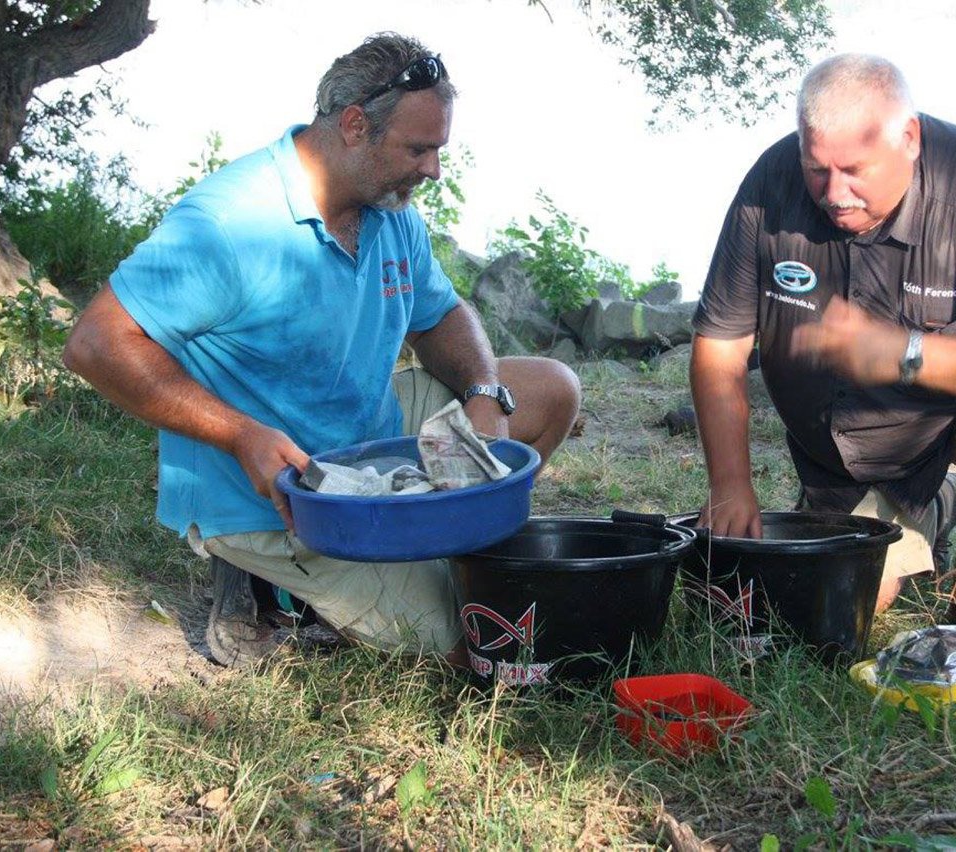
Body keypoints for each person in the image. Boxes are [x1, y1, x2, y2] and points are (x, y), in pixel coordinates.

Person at [63, 33, 581, 668]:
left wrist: (483, 392)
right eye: (418, 149)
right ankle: (257, 574)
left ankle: (434, 539)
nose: (433, 170)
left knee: (553, 390)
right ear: (355, 125)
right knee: (479, 640)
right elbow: (95, 343)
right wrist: (238, 434)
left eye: (438, 150)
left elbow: (441, 314)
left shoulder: (391, 212)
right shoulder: (233, 221)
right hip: (273, 485)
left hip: (367, 435)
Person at [690, 54, 956, 657]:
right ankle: (940, 497)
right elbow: (719, 347)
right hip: (847, 455)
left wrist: (901, 353)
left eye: (853, 170)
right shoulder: (769, 185)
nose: (833, 193)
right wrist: (729, 485)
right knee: (832, 605)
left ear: (909, 138)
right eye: (816, 169)